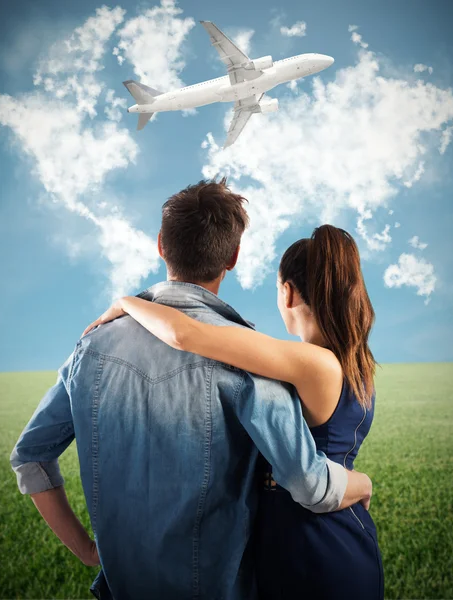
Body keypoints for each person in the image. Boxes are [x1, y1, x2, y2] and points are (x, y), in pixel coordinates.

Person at [9, 178, 372, 600]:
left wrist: (90, 551)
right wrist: (362, 483)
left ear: (161, 244)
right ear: (233, 257)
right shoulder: (253, 360)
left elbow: (31, 456)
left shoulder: (93, 343)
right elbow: (308, 482)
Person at [85, 223, 384, 599]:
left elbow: (186, 334)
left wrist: (128, 302)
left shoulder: (312, 363)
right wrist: (362, 482)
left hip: (308, 549)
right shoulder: (354, 363)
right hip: (337, 538)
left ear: (287, 293)